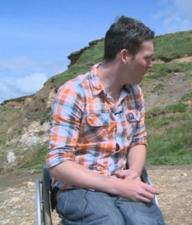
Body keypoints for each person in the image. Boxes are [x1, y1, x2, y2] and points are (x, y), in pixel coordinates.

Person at [47, 16, 165, 225]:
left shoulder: (135, 93)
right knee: (109, 221)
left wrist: (134, 173)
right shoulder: (73, 93)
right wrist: (115, 186)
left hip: (122, 181)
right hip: (79, 187)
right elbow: (58, 163)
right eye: (147, 58)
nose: (151, 65)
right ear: (125, 56)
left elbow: (138, 141)